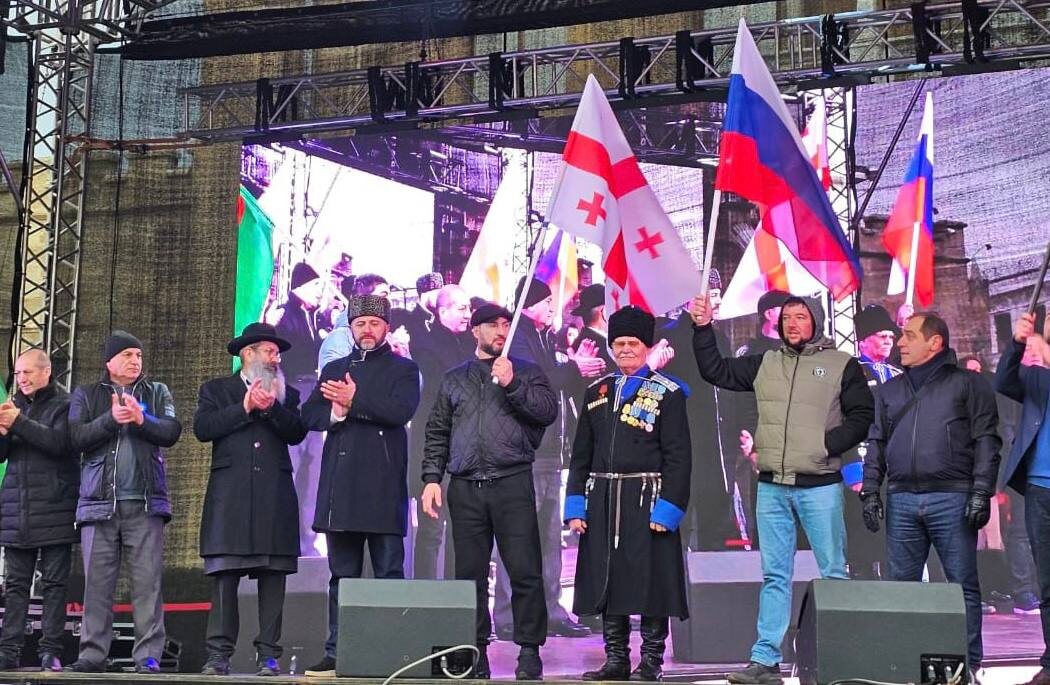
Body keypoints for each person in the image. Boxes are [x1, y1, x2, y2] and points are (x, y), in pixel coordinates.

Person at [690, 294, 873, 685]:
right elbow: (715, 371)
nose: (792, 323)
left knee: (832, 572)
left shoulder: (841, 364)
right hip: (772, 486)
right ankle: (766, 661)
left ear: (816, 321)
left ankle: (839, 657)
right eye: (787, 317)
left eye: (800, 316)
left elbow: (862, 416)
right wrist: (703, 329)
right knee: (774, 575)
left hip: (820, 485)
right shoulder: (765, 362)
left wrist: (825, 446)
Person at [420, 303, 558, 680]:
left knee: (525, 570)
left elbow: (547, 412)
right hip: (465, 488)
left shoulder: (527, 372)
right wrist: (431, 478)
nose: (500, 331)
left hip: (512, 482)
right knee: (469, 576)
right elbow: (437, 431)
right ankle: (474, 649)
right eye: (492, 325)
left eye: (505, 324)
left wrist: (512, 383)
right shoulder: (454, 378)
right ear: (475, 331)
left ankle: (529, 650)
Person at [860, 313, 1000, 675]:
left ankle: (969, 665)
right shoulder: (889, 389)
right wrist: (871, 489)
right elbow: (877, 442)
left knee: (961, 585)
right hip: (901, 498)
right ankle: (906, 664)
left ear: (935, 342)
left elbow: (987, 440)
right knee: (902, 588)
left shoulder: (969, 383)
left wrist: (981, 491)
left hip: (952, 496)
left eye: (909, 335)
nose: (900, 342)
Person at [566, 306, 691, 682]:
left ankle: (651, 661)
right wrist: (576, 505)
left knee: (652, 580)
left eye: (632, 343)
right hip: (603, 499)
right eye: (618, 343)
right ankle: (616, 659)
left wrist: (668, 509)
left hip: (647, 499)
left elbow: (679, 457)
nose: (624, 350)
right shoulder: (596, 391)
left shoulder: (668, 393)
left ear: (646, 346)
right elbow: (581, 454)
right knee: (608, 577)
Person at [300, 295, 421, 677]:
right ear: (350, 328)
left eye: (374, 323)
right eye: (359, 324)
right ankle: (337, 652)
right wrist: (336, 411)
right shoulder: (335, 368)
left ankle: (391, 654)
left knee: (388, 577)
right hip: (342, 490)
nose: (367, 330)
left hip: (383, 488)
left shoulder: (404, 369)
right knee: (342, 579)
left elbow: (401, 411)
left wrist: (355, 400)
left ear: (386, 327)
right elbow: (309, 415)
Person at [194, 323, 308, 676]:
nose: (276, 359)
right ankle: (218, 655)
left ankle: (268, 654)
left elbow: (297, 432)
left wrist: (271, 408)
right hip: (231, 498)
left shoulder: (288, 394)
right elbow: (203, 429)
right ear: (248, 353)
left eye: (277, 353)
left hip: (274, 496)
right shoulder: (216, 390)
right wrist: (244, 406)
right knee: (225, 578)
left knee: (273, 577)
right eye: (269, 351)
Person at [67, 331, 182, 673]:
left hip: (145, 505)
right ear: (109, 361)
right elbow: (75, 437)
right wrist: (110, 419)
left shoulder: (157, 392)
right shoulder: (87, 394)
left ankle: (148, 656)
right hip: (98, 505)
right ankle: (92, 654)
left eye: (139, 356)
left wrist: (142, 419)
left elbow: (171, 431)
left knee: (148, 585)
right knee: (97, 586)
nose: (135, 361)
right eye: (128, 355)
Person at [496, 277, 603, 640]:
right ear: (528, 305)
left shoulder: (545, 338)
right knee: (517, 535)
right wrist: (574, 367)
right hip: (524, 455)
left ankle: (551, 610)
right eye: (545, 302)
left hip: (550, 454)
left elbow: (557, 382)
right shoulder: (518, 338)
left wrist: (575, 365)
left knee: (548, 539)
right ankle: (510, 615)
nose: (551, 308)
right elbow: (533, 380)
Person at [0, 350, 77, 672]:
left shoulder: (66, 404)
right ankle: (8, 651)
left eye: (28, 372)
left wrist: (18, 422)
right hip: (16, 510)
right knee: (16, 586)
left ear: (46, 372)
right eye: (18, 373)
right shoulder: (12, 406)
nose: (22, 379)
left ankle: (50, 651)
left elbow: (59, 443)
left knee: (55, 584)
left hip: (55, 507)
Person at [661, 268, 742, 550]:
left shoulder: (720, 338)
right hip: (684, 443)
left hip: (718, 446)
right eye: (712, 294)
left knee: (715, 524)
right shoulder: (669, 336)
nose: (717, 302)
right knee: (679, 523)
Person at [996, 312, 1050, 685]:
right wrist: (1016, 345)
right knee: (1047, 580)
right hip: (1039, 488)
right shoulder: (1037, 377)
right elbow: (1004, 381)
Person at [410, 285, 475, 580]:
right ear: (443, 311)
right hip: (435, 453)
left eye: (469, 308)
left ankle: (455, 592)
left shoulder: (470, 344)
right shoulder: (426, 347)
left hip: (466, 453)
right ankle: (425, 592)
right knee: (432, 529)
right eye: (462, 308)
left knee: (461, 531)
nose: (468, 314)